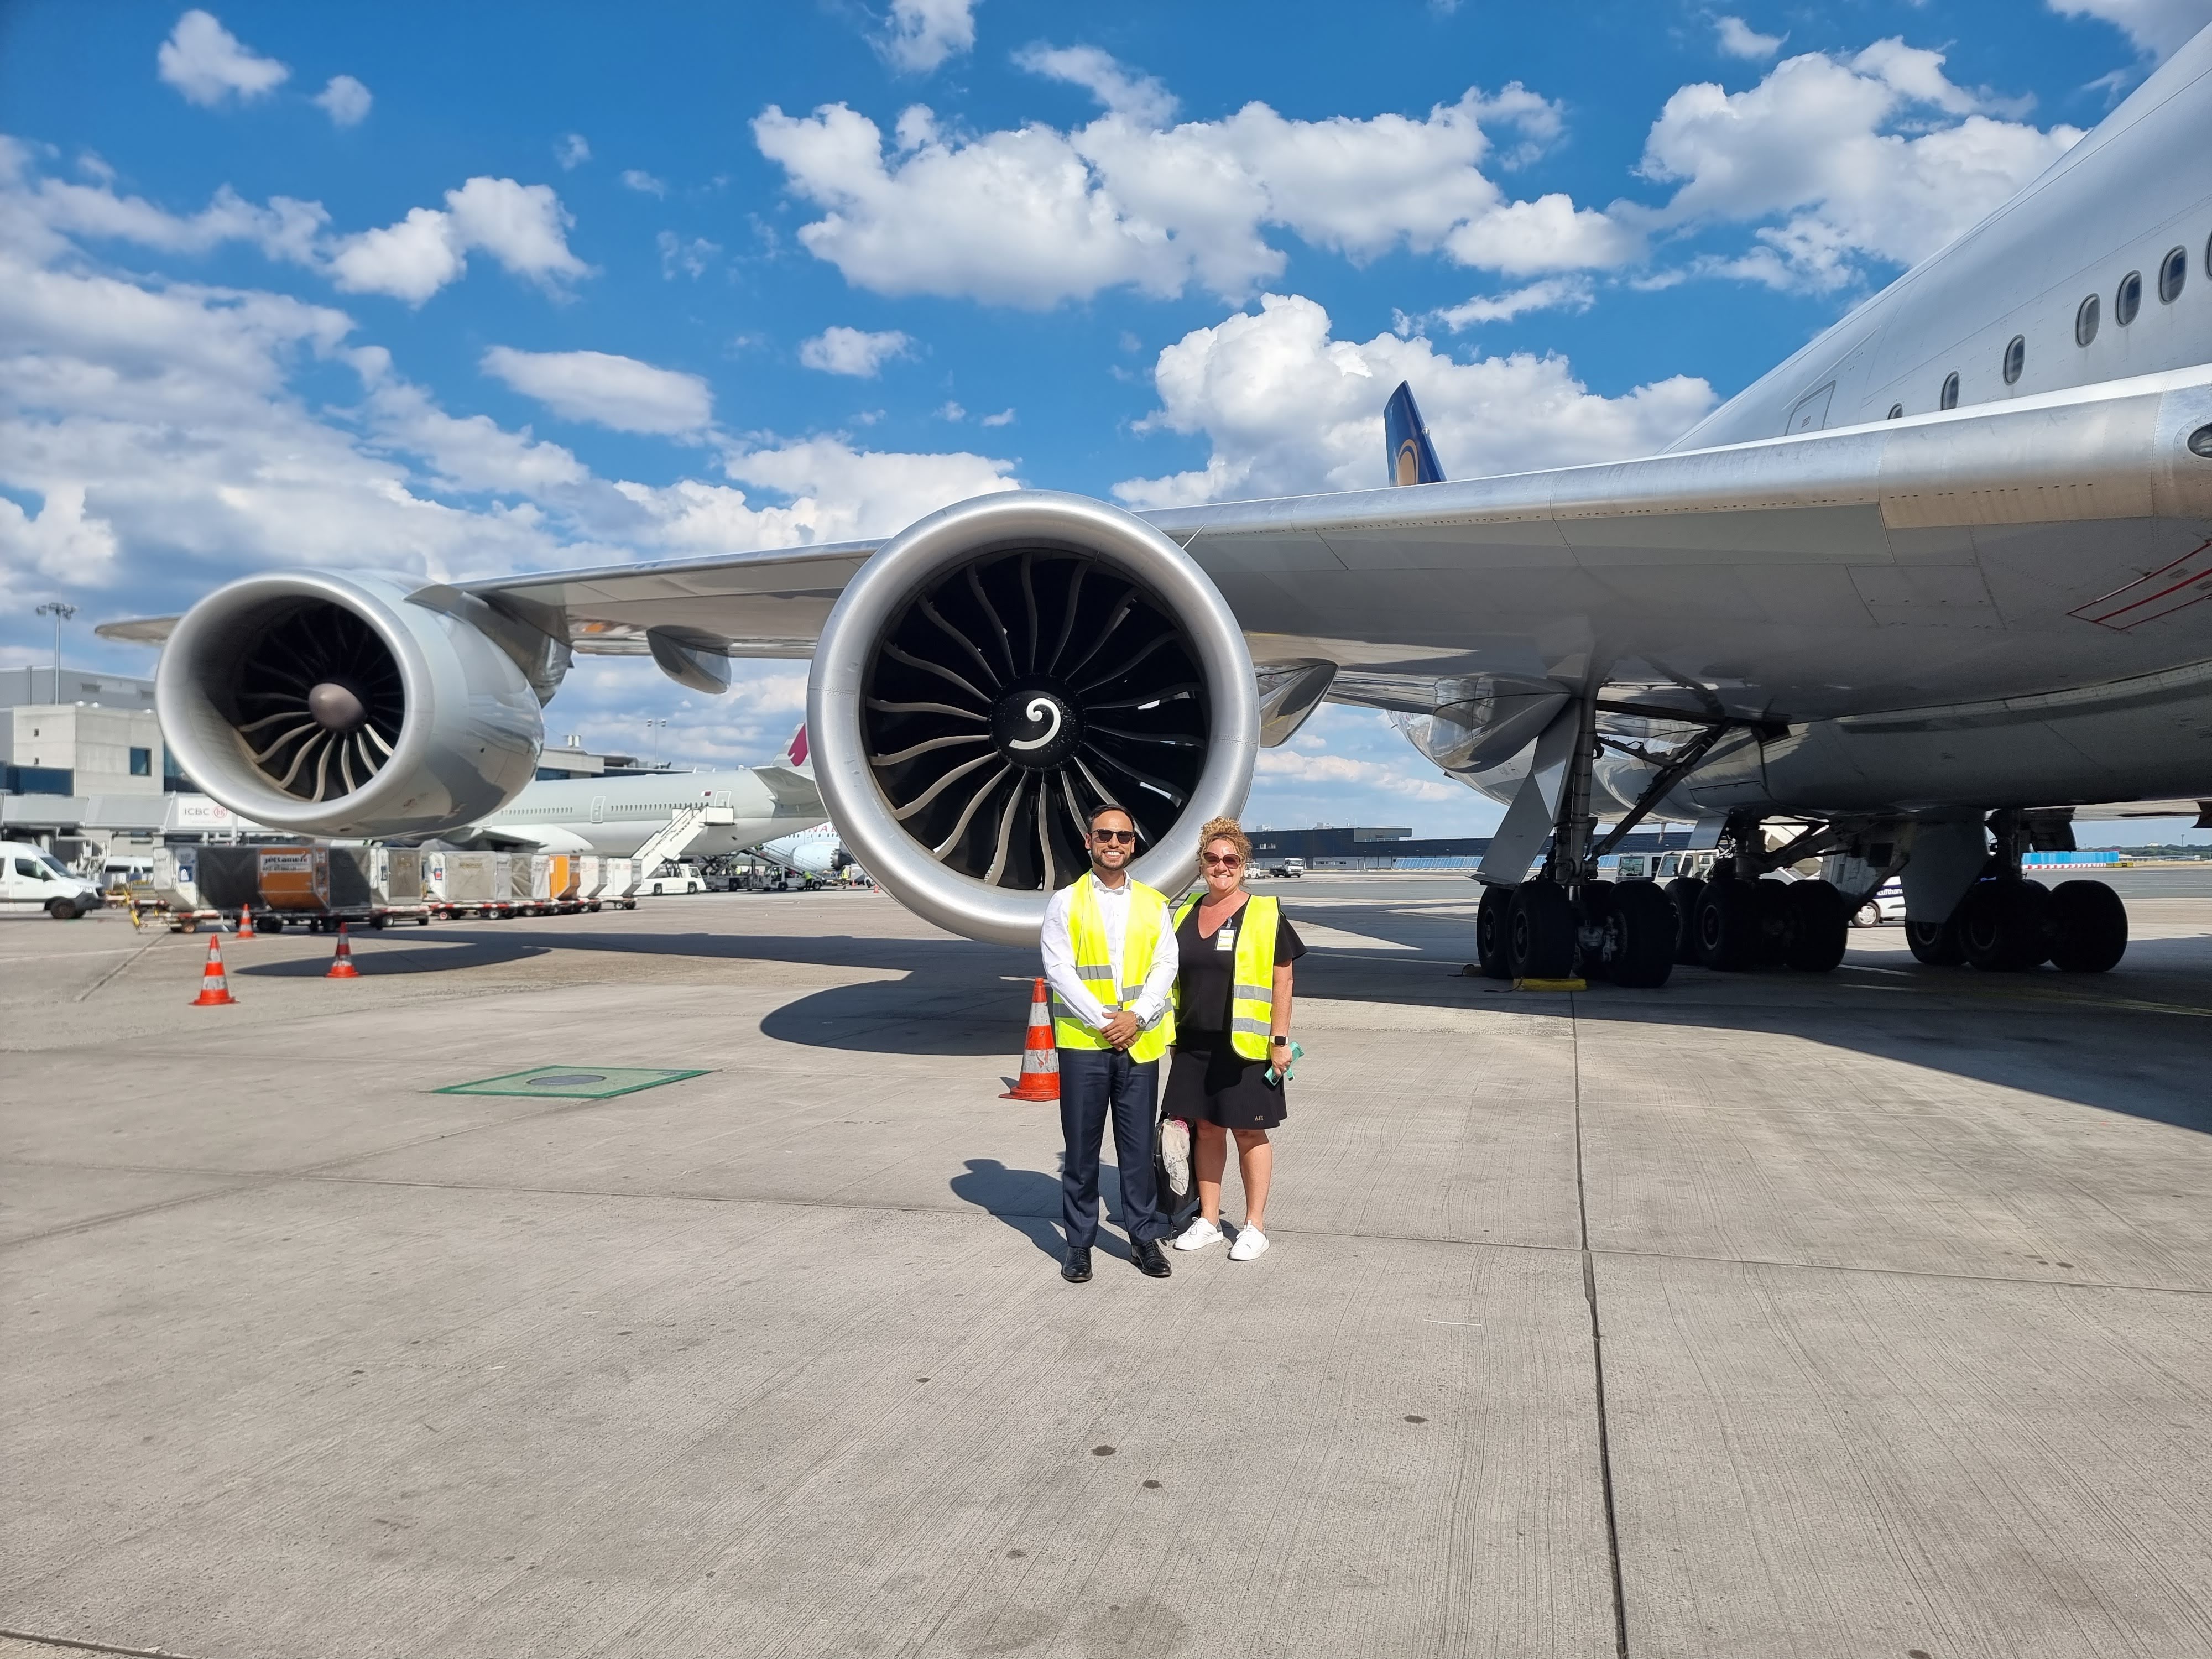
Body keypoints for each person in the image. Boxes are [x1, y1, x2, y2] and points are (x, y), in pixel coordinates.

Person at [1039, 803, 1181, 1284]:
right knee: (1081, 1152)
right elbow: (1059, 970)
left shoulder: (1153, 903)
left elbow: (1166, 964)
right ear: (1088, 841)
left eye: (1123, 836)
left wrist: (1136, 1017)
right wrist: (1107, 1022)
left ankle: (1143, 1239)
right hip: (1086, 1045)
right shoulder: (1066, 902)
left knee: (1137, 1152)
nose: (1114, 844)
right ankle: (1079, 1245)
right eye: (1105, 835)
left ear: (1133, 843)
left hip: (1139, 1044)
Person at [1166, 817, 1304, 1262]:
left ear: (1243, 865)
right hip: (1192, 1042)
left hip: (1245, 1044)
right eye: (1212, 858)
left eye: (1230, 859)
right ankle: (1208, 1219)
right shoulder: (1186, 912)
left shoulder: (1264, 913)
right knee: (1206, 1129)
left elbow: (1283, 982)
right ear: (1201, 863)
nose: (1220, 866)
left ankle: (1254, 1226)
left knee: (1249, 1131)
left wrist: (1280, 1041)